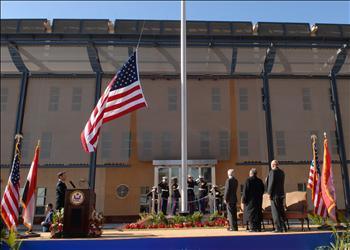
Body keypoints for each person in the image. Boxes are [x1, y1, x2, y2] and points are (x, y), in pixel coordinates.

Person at [267, 160, 287, 233]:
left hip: (274, 195)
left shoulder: (272, 172)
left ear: (272, 165)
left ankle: (278, 228)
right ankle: (284, 227)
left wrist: (269, 193)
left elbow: (271, 183)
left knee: (275, 212)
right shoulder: (282, 172)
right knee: (281, 211)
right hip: (281, 194)